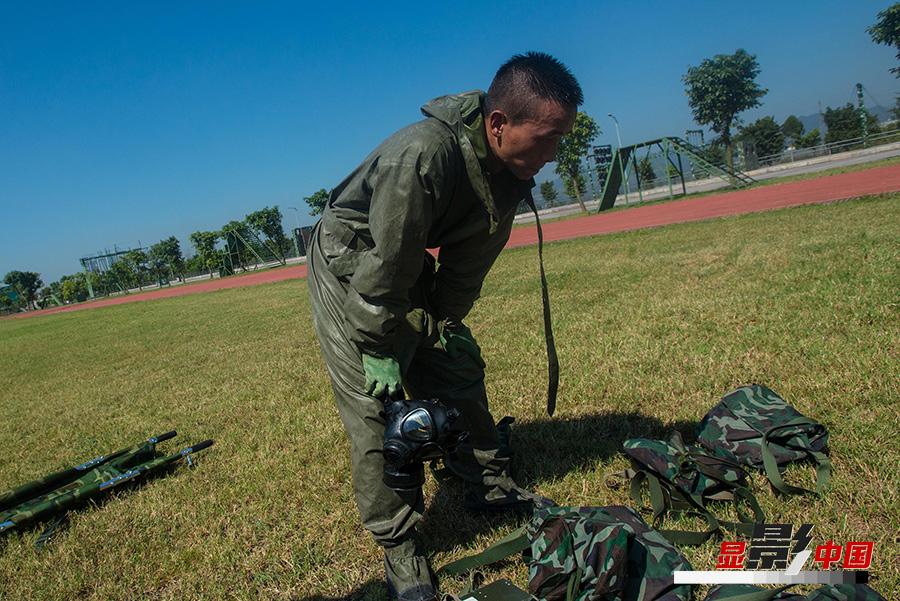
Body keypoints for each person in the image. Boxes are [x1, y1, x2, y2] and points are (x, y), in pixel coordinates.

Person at [306, 51, 583, 601]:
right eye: (547, 138)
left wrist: (445, 323)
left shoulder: (510, 170)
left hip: (403, 263)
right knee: (377, 408)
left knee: (457, 365)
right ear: (498, 123)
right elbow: (386, 265)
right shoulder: (424, 154)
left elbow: (465, 266)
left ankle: (483, 478)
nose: (553, 155)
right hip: (353, 264)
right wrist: (377, 343)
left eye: (561, 140)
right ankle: (399, 545)